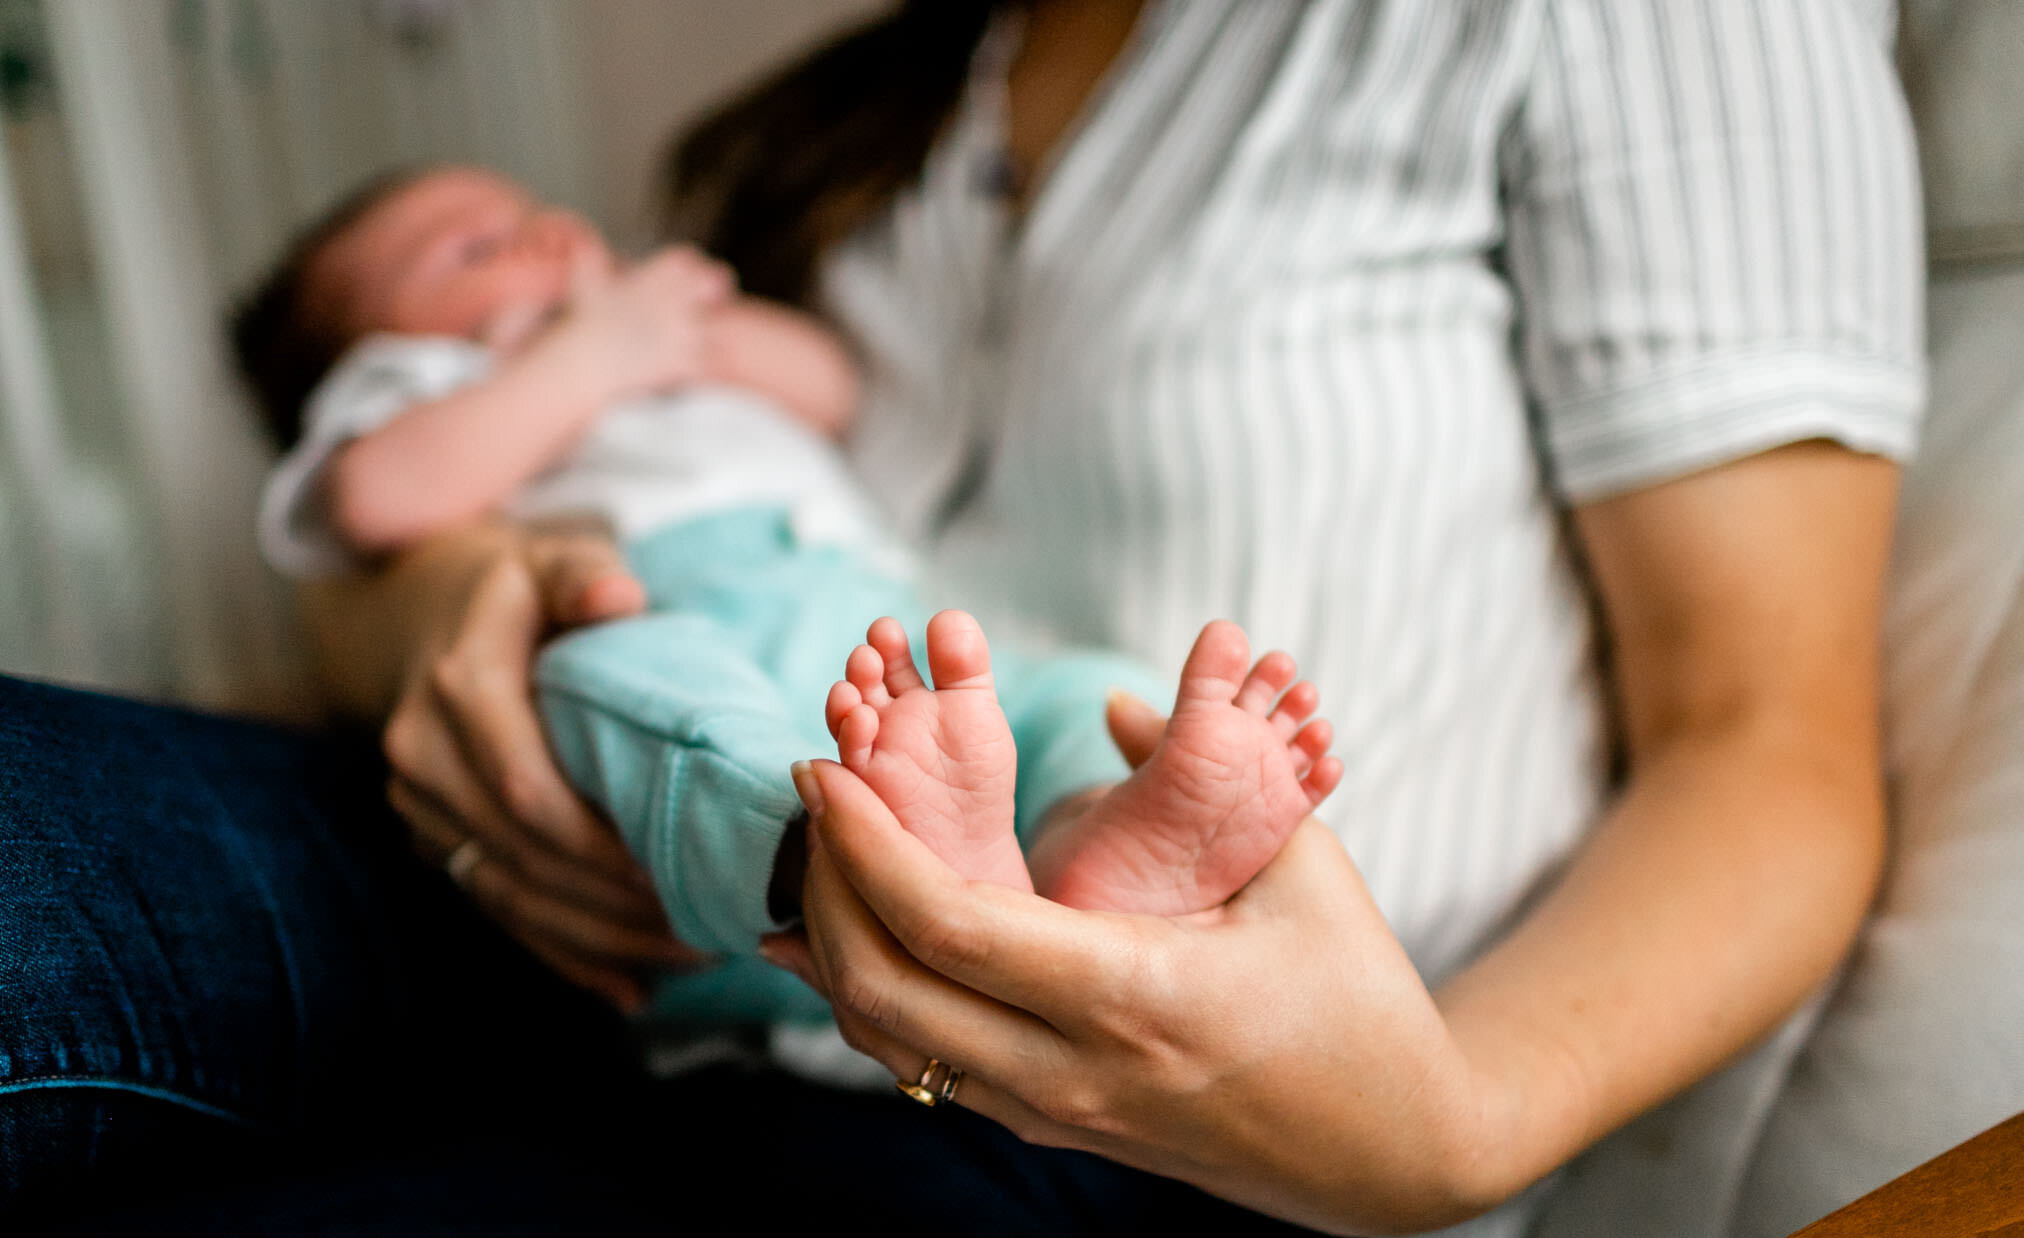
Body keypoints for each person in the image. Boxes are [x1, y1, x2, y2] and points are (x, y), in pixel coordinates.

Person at [0, 3, 1922, 1238]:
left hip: (1162, 1157)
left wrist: (1443, 1123)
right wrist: (448, 614)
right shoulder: (831, 133)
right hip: (590, 901)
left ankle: (1031, 856)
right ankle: (841, 860)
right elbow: (396, 509)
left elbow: (1766, 735)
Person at [234, 162, 1342, 1029]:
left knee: (1072, 693)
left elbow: (831, 386)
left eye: (531, 213)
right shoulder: (424, 382)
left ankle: (1083, 843)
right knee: (622, 691)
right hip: (656, 610)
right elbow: (377, 497)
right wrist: (585, 360)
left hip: (879, 635)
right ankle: (827, 866)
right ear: (369, 344)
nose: (535, 236)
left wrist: (671, 329)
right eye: (473, 248)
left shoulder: (652, 333)